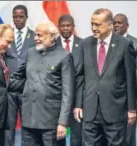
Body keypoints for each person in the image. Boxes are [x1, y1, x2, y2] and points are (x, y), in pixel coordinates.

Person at [74, 8, 136, 146]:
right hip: (90, 110)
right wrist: (78, 104)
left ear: (110, 25)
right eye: (92, 24)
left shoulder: (124, 44)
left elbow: (131, 78)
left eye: (98, 24)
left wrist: (132, 109)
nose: (94, 28)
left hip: (115, 109)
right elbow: (80, 77)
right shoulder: (85, 44)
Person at [9, 21, 75, 146]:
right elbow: (16, 78)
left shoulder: (64, 56)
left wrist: (62, 122)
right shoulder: (31, 53)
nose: (35, 38)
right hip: (29, 118)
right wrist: (27, 88)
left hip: (52, 122)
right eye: (35, 35)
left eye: (39, 35)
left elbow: (68, 92)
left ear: (52, 36)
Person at [5, 4, 35, 146]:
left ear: (26, 18)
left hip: (27, 88)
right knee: (8, 127)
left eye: (21, 17)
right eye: (15, 17)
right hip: (9, 89)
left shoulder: (34, 36)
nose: (18, 20)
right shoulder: (6, 35)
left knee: (27, 127)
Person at [56, 14, 82, 146]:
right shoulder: (52, 44)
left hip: (78, 99)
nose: (65, 28)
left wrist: (80, 103)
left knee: (77, 138)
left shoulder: (83, 44)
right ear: (58, 27)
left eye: (68, 25)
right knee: (58, 137)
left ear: (73, 26)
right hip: (57, 100)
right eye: (62, 26)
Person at [113, 13, 137, 146]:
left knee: (128, 136)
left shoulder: (134, 43)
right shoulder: (108, 44)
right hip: (113, 97)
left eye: (120, 22)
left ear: (127, 25)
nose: (116, 25)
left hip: (130, 97)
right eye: (114, 22)